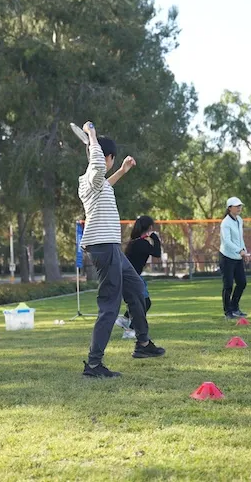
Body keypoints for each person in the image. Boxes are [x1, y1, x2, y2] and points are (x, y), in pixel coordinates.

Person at [78, 121, 165, 379]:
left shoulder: (100, 183)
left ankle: (143, 344)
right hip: (103, 249)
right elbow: (96, 165)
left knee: (138, 290)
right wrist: (92, 134)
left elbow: (106, 183)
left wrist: (123, 171)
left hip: (113, 249)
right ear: (108, 158)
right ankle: (94, 365)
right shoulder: (90, 178)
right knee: (110, 306)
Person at [116, 215, 162, 340]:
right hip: (132, 278)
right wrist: (155, 237)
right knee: (144, 303)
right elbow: (157, 253)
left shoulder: (135, 242)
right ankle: (130, 329)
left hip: (133, 277)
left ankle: (125, 320)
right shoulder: (141, 243)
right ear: (149, 227)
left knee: (138, 302)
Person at [219, 197, 248, 320]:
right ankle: (228, 312)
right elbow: (227, 241)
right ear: (229, 208)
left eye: (240, 206)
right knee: (228, 285)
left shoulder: (239, 220)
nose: (239, 208)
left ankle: (235, 308)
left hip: (237, 258)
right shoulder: (225, 223)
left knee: (242, 283)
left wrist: (244, 250)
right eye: (237, 206)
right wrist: (239, 250)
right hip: (226, 258)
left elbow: (240, 239)